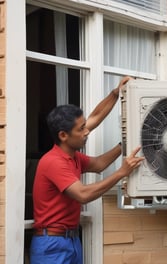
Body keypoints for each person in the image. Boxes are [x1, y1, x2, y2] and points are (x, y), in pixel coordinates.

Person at [29, 76, 144, 264]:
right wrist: (121, 173)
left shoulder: (73, 156)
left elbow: (98, 161)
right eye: (81, 129)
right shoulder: (53, 161)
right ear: (63, 135)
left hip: (71, 240)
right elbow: (82, 194)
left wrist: (116, 95)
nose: (87, 131)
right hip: (52, 245)